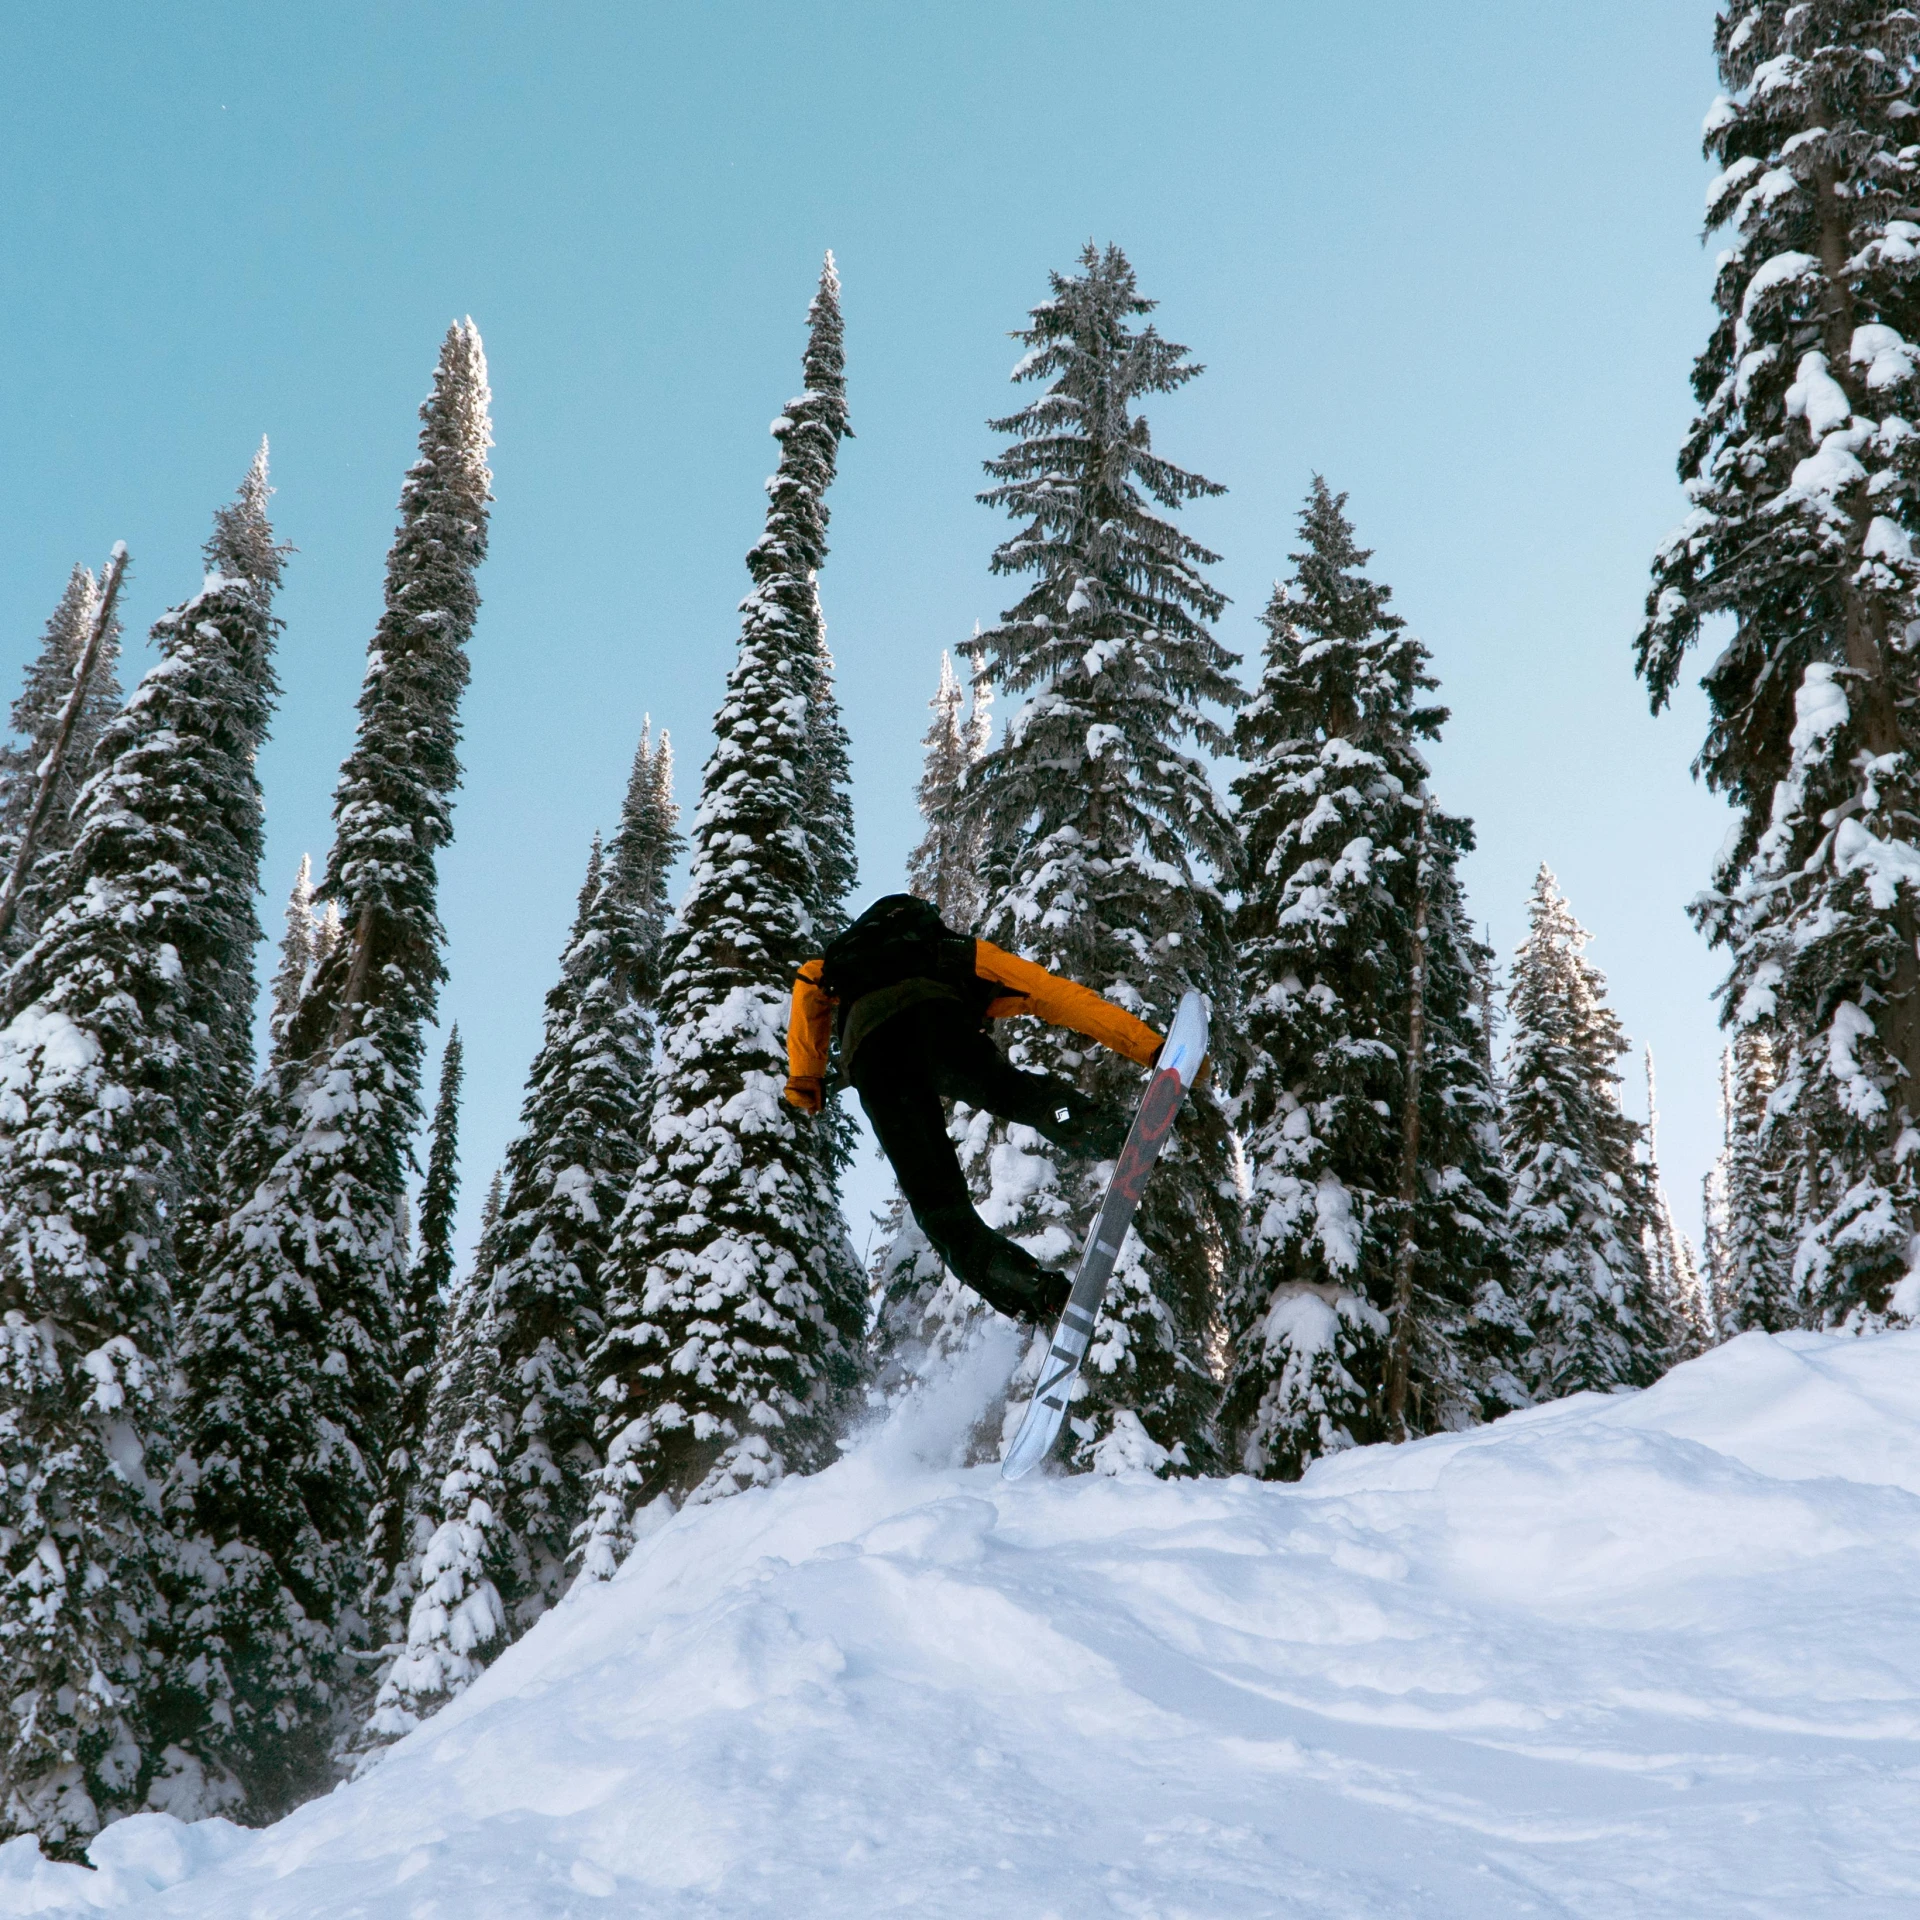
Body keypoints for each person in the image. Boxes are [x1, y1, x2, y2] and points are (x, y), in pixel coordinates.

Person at [784, 894, 1162, 1324]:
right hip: (938, 1024)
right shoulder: (959, 951)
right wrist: (1149, 1049)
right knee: (1015, 1093)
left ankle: (1034, 1292)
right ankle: (1099, 1129)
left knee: (939, 1207)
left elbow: (807, 984)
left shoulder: (842, 966)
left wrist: (806, 1077)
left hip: (871, 1059)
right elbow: (1062, 998)